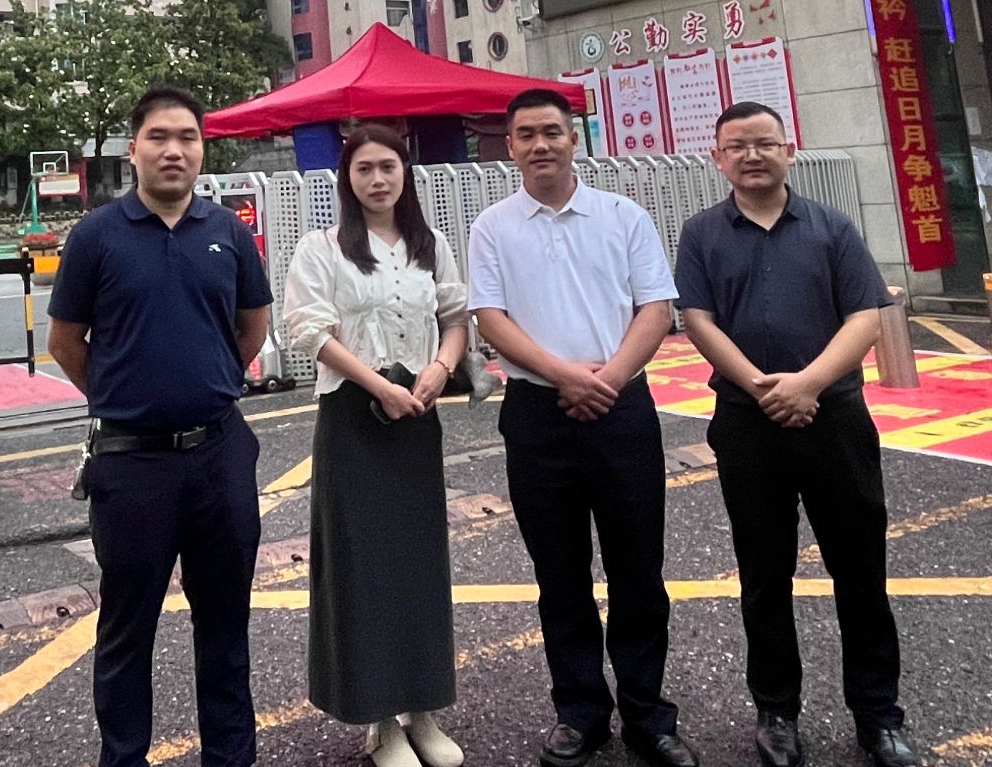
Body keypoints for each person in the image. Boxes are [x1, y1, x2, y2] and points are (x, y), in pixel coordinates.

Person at [674, 102, 921, 767]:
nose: (751, 156)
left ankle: (878, 716)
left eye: (764, 143)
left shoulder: (831, 227)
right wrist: (763, 388)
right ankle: (776, 713)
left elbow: (865, 317)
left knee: (860, 571)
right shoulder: (701, 233)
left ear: (789, 150)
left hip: (833, 417)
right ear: (717, 158)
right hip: (746, 422)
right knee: (763, 574)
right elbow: (698, 321)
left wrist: (807, 384)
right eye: (737, 146)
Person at [469, 88, 696, 767]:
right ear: (511, 148)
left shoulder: (623, 216)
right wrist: (565, 376)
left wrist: (607, 379)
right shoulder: (493, 227)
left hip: (621, 410)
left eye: (552, 132)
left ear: (575, 139)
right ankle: (580, 714)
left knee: (638, 569)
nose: (540, 145)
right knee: (559, 573)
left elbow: (656, 308)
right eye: (526, 135)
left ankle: (649, 715)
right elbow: (490, 317)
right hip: (539, 415)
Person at [48, 86, 272, 767]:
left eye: (187, 137)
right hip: (131, 465)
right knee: (127, 630)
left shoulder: (228, 232)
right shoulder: (96, 236)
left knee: (225, 627)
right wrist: (125, 399)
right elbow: (66, 342)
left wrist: (205, 383)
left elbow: (252, 328)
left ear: (202, 149)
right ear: (133, 149)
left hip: (219, 453)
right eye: (159, 137)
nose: (174, 150)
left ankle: (230, 759)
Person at [281, 124, 468, 767]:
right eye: (364, 169)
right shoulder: (322, 248)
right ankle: (381, 721)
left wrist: (440, 369)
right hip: (353, 416)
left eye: (388, 166)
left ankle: (424, 711)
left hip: (417, 412)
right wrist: (378, 386)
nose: (378, 179)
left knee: (419, 564)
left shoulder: (430, 244)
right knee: (362, 570)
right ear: (347, 178)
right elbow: (309, 330)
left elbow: (455, 317)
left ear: (405, 172)